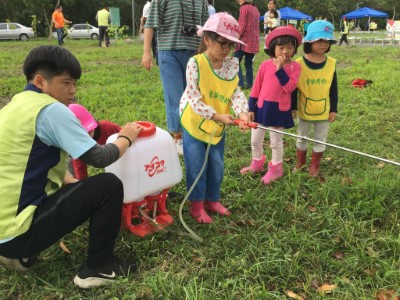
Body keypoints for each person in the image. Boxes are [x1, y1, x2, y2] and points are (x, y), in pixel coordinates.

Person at [0, 45, 144, 289]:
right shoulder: (50, 110)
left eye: (74, 84)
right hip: (17, 231)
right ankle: (98, 267)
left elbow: (36, 163)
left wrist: (80, 193)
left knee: (88, 189)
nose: (72, 91)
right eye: (66, 83)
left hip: (5, 225)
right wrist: (126, 137)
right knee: (108, 185)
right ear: (40, 81)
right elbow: (100, 157)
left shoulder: (16, 105)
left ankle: (15, 250)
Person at [179, 13, 250, 224]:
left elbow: (235, 93)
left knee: (216, 166)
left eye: (231, 45)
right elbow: (193, 97)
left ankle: (212, 200)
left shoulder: (231, 66)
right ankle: (196, 206)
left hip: (217, 127)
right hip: (195, 123)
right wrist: (217, 115)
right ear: (207, 40)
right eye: (222, 43)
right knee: (196, 165)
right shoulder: (195, 63)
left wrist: (243, 113)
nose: (227, 49)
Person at [141, 0, 208, 156]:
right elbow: (150, 24)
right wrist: (146, 52)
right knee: (175, 96)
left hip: (195, 54)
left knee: (193, 95)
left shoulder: (201, 2)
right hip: (168, 52)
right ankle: (178, 137)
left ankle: (193, 132)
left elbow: (206, 29)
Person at [240, 26, 302, 184]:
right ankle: (257, 162)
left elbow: (289, 87)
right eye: (281, 47)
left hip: (279, 110)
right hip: (262, 108)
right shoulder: (265, 65)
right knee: (255, 140)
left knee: (275, 142)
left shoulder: (295, 67)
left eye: (290, 47)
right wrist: (251, 107)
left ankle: (276, 169)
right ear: (273, 48)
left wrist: (280, 69)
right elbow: (256, 87)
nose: (285, 51)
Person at [291, 20, 338, 177]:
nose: (323, 44)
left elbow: (334, 89)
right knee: (301, 137)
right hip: (305, 110)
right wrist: (293, 107)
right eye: (319, 40)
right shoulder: (298, 64)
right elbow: (293, 88)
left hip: (323, 112)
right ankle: (300, 162)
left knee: (320, 139)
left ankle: (314, 166)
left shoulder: (331, 64)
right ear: (309, 41)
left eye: (326, 41)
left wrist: (333, 109)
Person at [68, 104, 121, 180]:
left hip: (113, 155)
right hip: (92, 158)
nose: (88, 133)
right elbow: (80, 167)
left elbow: (124, 136)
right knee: (71, 162)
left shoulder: (108, 127)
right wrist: (82, 184)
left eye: (89, 131)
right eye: (83, 134)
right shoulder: (78, 146)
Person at [233, 0, 260, 90]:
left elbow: (242, 25)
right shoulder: (255, 9)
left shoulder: (244, 8)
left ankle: (240, 83)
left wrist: (236, 37)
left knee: (235, 61)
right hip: (253, 40)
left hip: (244, 40)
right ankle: (249, 84)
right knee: (248, 63)